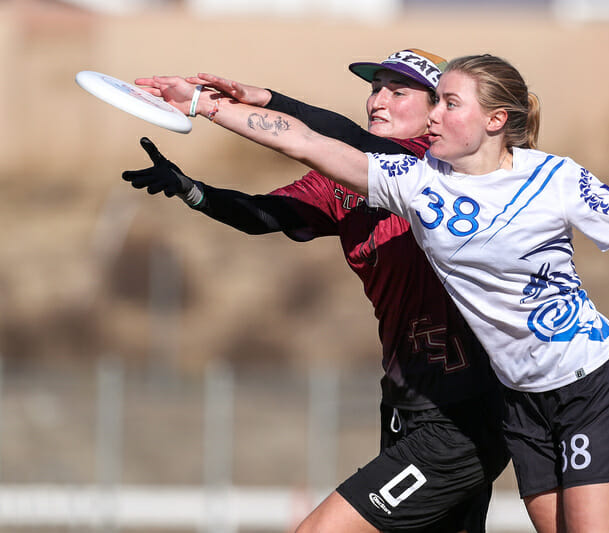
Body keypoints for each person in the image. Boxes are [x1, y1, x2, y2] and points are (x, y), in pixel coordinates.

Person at [129, 52, 609, 532]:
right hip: (505, 403)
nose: (391, 103)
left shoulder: (545, 175)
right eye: (379, 88)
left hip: (570, 388)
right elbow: (305, 146)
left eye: (437, 100)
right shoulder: (410, 180)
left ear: (487, 118)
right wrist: (204, 116)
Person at [122, 49, 509, 533]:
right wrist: (192, 190)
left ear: (438, 110)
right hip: (406, 403)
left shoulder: (441, 169)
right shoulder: (348, 180)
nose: (377, 101)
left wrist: (239, 100)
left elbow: (333, 135)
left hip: (463, 414)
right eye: (374, 89)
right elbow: (267, 215)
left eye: (397, 91)